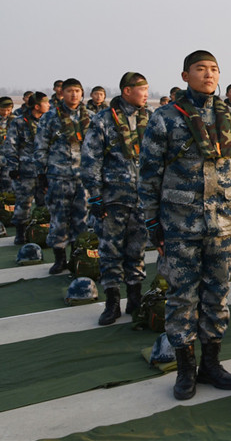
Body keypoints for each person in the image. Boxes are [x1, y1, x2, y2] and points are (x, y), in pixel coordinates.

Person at [138, 50, 231, 400]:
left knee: (217, 294)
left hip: (222, 224)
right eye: (201, 69)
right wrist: (152, 221)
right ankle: (186, 368)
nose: (209, 74)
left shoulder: (230, 115)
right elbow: (149, 173)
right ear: (185, 76)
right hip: (180, 224)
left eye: (214, 69)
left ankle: (211, 363)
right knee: (182, 296)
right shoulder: (166, 118)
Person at [80, 72, 151, 325]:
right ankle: (112, 303)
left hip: (141, 199)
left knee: (137, 250)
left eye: (147, 89)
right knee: (110, 251)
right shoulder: (103, 120)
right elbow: (90, 159)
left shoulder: (150, 119)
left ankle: (135, 299)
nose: (146, 94)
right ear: (127, 91)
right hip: (113, 200)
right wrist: (95, 196)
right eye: (142, 89)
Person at [34, 79, 93, 274]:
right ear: (62, 93)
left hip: (83, 178)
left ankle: (78, 257)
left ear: (82, 93)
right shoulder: (50, 117)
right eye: (69, 91)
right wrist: (41, 173)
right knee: (59, 218)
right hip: (58, 176)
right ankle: (60, 258)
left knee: (82, 219)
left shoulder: (91, 118)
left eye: (77, 91)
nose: (74, 95)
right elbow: (41, 146)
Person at [2, 92, 49, 244]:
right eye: (46, 103)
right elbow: (10, 146)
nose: (49, 105)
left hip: (45, 171)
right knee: (23, 203)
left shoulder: (49, 121)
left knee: (45, 203)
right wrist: (13, 167)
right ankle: (20, 233)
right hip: (25, 171)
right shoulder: (19, 122)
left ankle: (42, 232)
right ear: (37, 106)